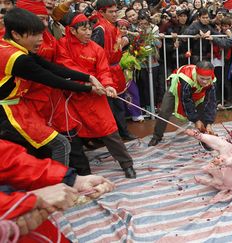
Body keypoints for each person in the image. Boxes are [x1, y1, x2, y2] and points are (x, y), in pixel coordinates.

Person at [0, 8, 104, 165]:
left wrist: (88, 77)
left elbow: (51, 67)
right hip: (8, 113)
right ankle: (60, 182)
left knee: (33, 152)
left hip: (17, 108)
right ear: (16, 34)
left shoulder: (9, 45)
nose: (41, 40)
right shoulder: (17, 58)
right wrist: (89, 88)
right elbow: (53, 79)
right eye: (35, 35)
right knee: (60, 144)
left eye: (41, 34)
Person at [55, 13, 137, 178]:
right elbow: (66, 67)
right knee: (73, 134)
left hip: (96, 97)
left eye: (89, 29)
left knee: (109, 129)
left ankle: (127, 164)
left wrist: (108, 85)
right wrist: (88, 84)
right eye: (83, 29)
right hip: (71, 96)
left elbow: (104, 71)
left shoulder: (96, 48)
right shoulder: (62, 45)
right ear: (72, 30)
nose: (88, 33)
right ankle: (82, 171)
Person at [0, 139, 115, 241]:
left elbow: (8, 159)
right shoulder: (29, 203)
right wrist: (22, 202)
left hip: (35, 226)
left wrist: (71, 179)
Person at [91, 0, 136, 141]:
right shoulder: (100, 29)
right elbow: (95, 53)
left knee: (118, 105)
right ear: (101, 12)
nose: (115, 14)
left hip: (115, 69)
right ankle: (111, 137)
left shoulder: (112, 26)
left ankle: (123, 132)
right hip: (106, 71)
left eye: (116, 11)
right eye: (110, 12)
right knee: (109, 107)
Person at [148, 61, 217, 146]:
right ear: (196, 73)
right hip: (177, 89)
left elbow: (211, 102)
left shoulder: (212, 81)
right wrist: (195, 120)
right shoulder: (186, 78)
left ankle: (205, 138)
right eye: (202, 78)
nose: (205, 82)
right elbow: (186, 101)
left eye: (207, 79)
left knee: (202, 111)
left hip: (198, 91)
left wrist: (209, 122)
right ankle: (156, 136)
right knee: (164, 111)